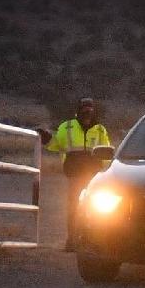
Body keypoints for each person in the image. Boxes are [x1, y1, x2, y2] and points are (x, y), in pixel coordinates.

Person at [48, 97, 112, 250]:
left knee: (97, 210)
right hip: (75, 175)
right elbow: (56, 144)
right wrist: (46, 138)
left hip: (94, 177)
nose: (87, 112)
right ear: (78, 110)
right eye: (84, 109)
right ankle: (72, 241)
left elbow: (107, 151)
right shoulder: (66, 127)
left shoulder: (100, 129)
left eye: (90, 109)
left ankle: (95, 241)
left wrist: (105, 174)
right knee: (74, 209)